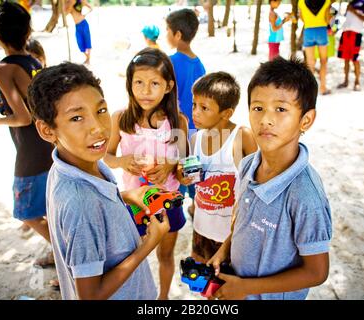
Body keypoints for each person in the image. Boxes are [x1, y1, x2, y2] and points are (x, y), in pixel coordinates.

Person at [28, 62, 170, 300]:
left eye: (101, 110)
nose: (97, 127)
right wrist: (149, 242)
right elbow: (90, 296)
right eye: (76, 118)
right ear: (46, 130)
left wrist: (124, 196)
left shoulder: (71, 165)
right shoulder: (81, 203)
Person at [207, 57, 332, 300]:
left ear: (305, 120)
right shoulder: (246, 166)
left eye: (281, 109)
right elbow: (242, 222)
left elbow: (317, 272)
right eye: (258, 108)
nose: (266, 119)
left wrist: (246, 288)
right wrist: (224, 250)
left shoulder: (305, 196)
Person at [104, 48, 189, 300]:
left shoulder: (177, 122)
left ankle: (162, 298)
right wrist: (122, 160)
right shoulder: (120, 118)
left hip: (168, 201)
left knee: (164, 254)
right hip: (134, 203)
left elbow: (185, 163)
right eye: (138, 82)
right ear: (129, 84)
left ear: (168, 86)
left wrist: (171, 166)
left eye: (154, 83)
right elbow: (106, 156)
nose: (145, 90)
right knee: (133, 256)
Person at [0, 2, 54, 268]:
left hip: (31, 152)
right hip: (48, 144)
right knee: (50, 208)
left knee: (26, 212)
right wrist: (0, 102)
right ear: (28, 30)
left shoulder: (2, 69)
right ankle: (63, 255)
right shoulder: (33, 61)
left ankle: (64, 254)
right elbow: (30, 102)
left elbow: (23, 116)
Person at [177, 72, 257, 263]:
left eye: (204, 108)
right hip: (201, 228)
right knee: (204, 283)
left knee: (227, 287)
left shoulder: (242, 136)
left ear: (226, 113)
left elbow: (258, 181)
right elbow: (192, 178)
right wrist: (183, 177)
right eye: (194, 104)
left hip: (231, 235)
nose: (195, 112)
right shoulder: (195, 138)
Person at [166, 8, 206, 217]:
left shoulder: (170, 62)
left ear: (178, 34)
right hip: (196, 131)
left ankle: (176, 211)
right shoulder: (199, 64)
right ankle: (196, 206)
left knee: (176, 173)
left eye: (168, 31)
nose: (166, 35)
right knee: (193, 174)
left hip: (176, 129)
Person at [337, 0, 364, 91]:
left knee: (355, 59)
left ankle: (357, 82)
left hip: (356, 34)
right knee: (346, 59)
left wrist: (354, 11)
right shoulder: (351, 3)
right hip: (345, 33)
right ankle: (346, 81)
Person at [298, 0, 332, 95]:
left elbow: (301, 17)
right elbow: (327, 18)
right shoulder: (327, 1)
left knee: (310, 62)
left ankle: (310, 90)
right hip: (321, 31)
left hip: (308, 30)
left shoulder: (301, 1)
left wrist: (309, 22)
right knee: (323, 61)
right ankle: (323, 87)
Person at [64, 0, 92, 65]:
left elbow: (90, 8)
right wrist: (68, 5)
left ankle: (88, 59)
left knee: (87, 41)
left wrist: (85, 14)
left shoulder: (80, 2)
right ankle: (87, 58)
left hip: (84, 23)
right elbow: (65, 13)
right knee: (80, 43)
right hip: (77, 26)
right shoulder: (69, 5)